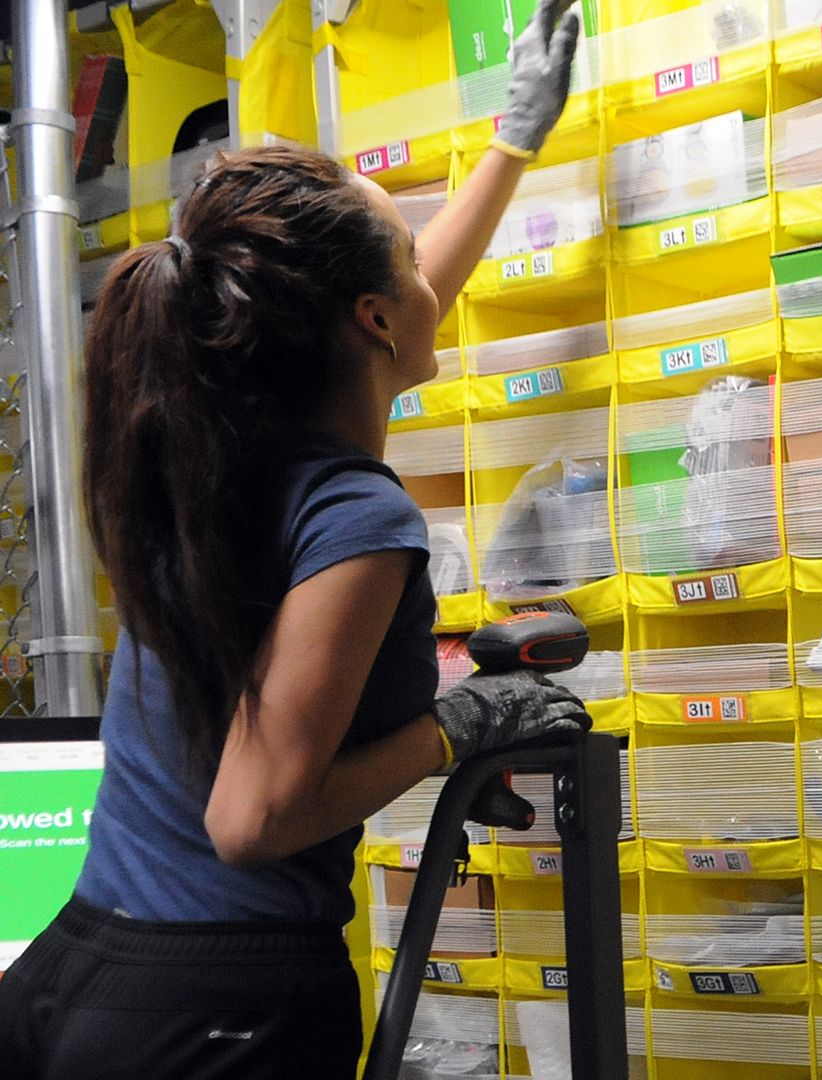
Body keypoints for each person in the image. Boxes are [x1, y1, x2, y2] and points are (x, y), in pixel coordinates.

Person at [0, 2, 589, 1076]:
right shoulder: (360, 515)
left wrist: (512, 146)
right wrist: (459, 726)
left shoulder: (219, 455)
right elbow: (252, 816)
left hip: (79, 974)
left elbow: (394, 304)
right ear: (370, 320)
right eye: (409, 252)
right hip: (217, 1006)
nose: (428, 282)